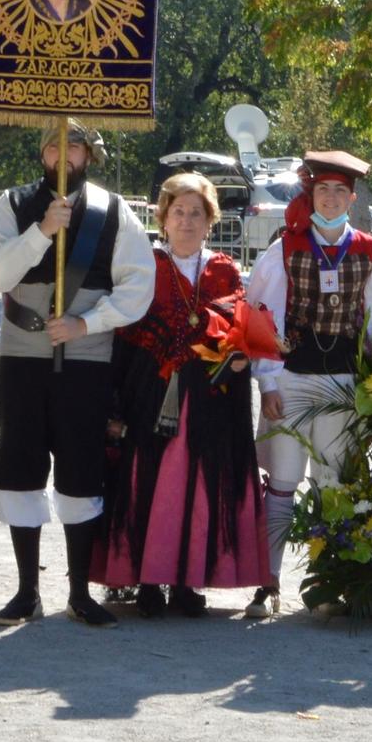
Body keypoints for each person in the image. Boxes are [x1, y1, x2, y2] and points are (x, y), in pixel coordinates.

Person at [0, 120, 157, 628]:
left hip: (86, 359)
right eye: (52, 145)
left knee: (81, 470)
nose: (61, 156)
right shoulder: (12, 206)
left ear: (89, 155)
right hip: (21, 357)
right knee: (20, 467)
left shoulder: (115, 212)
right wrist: (41, 232)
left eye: (71, 146)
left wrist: (85, 323)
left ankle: (79, 592)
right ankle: (26, 591)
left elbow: (137, 288)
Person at [95, 172, 271, 617]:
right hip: (149, 395)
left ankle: (190, 581)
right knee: (153, 484)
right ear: (164, 218)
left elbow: (239, 331)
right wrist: (114, 405)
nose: (187, 221)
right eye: (179, 212)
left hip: (210, 402)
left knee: (198, 485)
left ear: (210, 220)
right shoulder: (146, 267)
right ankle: (149, 579)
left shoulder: (225, 271)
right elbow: (126, 337)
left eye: (197, 213)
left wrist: (239, 355)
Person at [248, 150, 372, 618]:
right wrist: (268, 383)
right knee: (283, 482)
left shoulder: (369, 251)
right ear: (310, 195)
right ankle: (267, 582)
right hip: (291, 380)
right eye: (322, 191)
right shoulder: (284, 248)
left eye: (340, 191)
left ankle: (325, 582)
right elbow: (261, 318)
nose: (331, 199)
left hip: (343, 385)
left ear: (352, 199)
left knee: (331, 484)